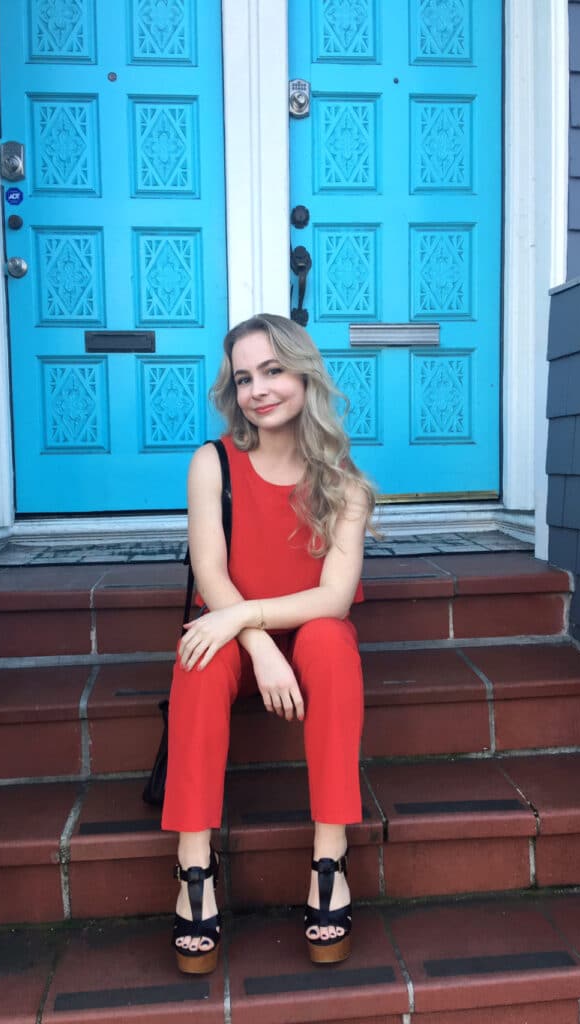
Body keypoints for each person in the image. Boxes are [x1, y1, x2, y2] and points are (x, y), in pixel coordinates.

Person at [161, 313, 376, 975]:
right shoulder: (212, 463)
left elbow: (333, 598)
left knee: (333, 643)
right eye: (245, 377)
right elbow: (211, 575)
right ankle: (194, 869)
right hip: (233, 630)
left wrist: (255, 624)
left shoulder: (344, 482)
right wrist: (256, 642)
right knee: (200, 654)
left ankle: (329, 859)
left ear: (304, 374)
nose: (259, 389)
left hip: (309, 630)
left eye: (274, 370)